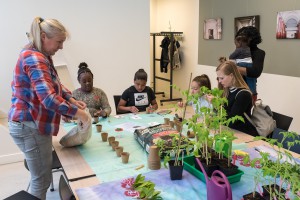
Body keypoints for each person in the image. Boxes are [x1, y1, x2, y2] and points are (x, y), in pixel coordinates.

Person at [8, 17, 89, 200]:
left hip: (30, 124)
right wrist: (80, 114)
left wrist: (71, 99)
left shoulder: (41, 54)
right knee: (41, 181)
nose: (61, 47)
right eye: (59, 41)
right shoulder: (34, 58)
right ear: (44, 36)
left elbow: (55, 84)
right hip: (29, 126)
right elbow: (49, 99)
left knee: (40, 179)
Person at [216, 60, 258, 136]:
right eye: (218, 78)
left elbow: (231, 121)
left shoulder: (243, 94)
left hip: (244, 134)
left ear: (231, 76)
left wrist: (217, 105)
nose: (219, 81)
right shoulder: (227, 91)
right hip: (231, 132)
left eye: (222, 78)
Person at [235, 26, 265, 102]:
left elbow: (255, 72)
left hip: (249, 92)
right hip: (235, 89)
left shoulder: (259, 53)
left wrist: (233, 67)